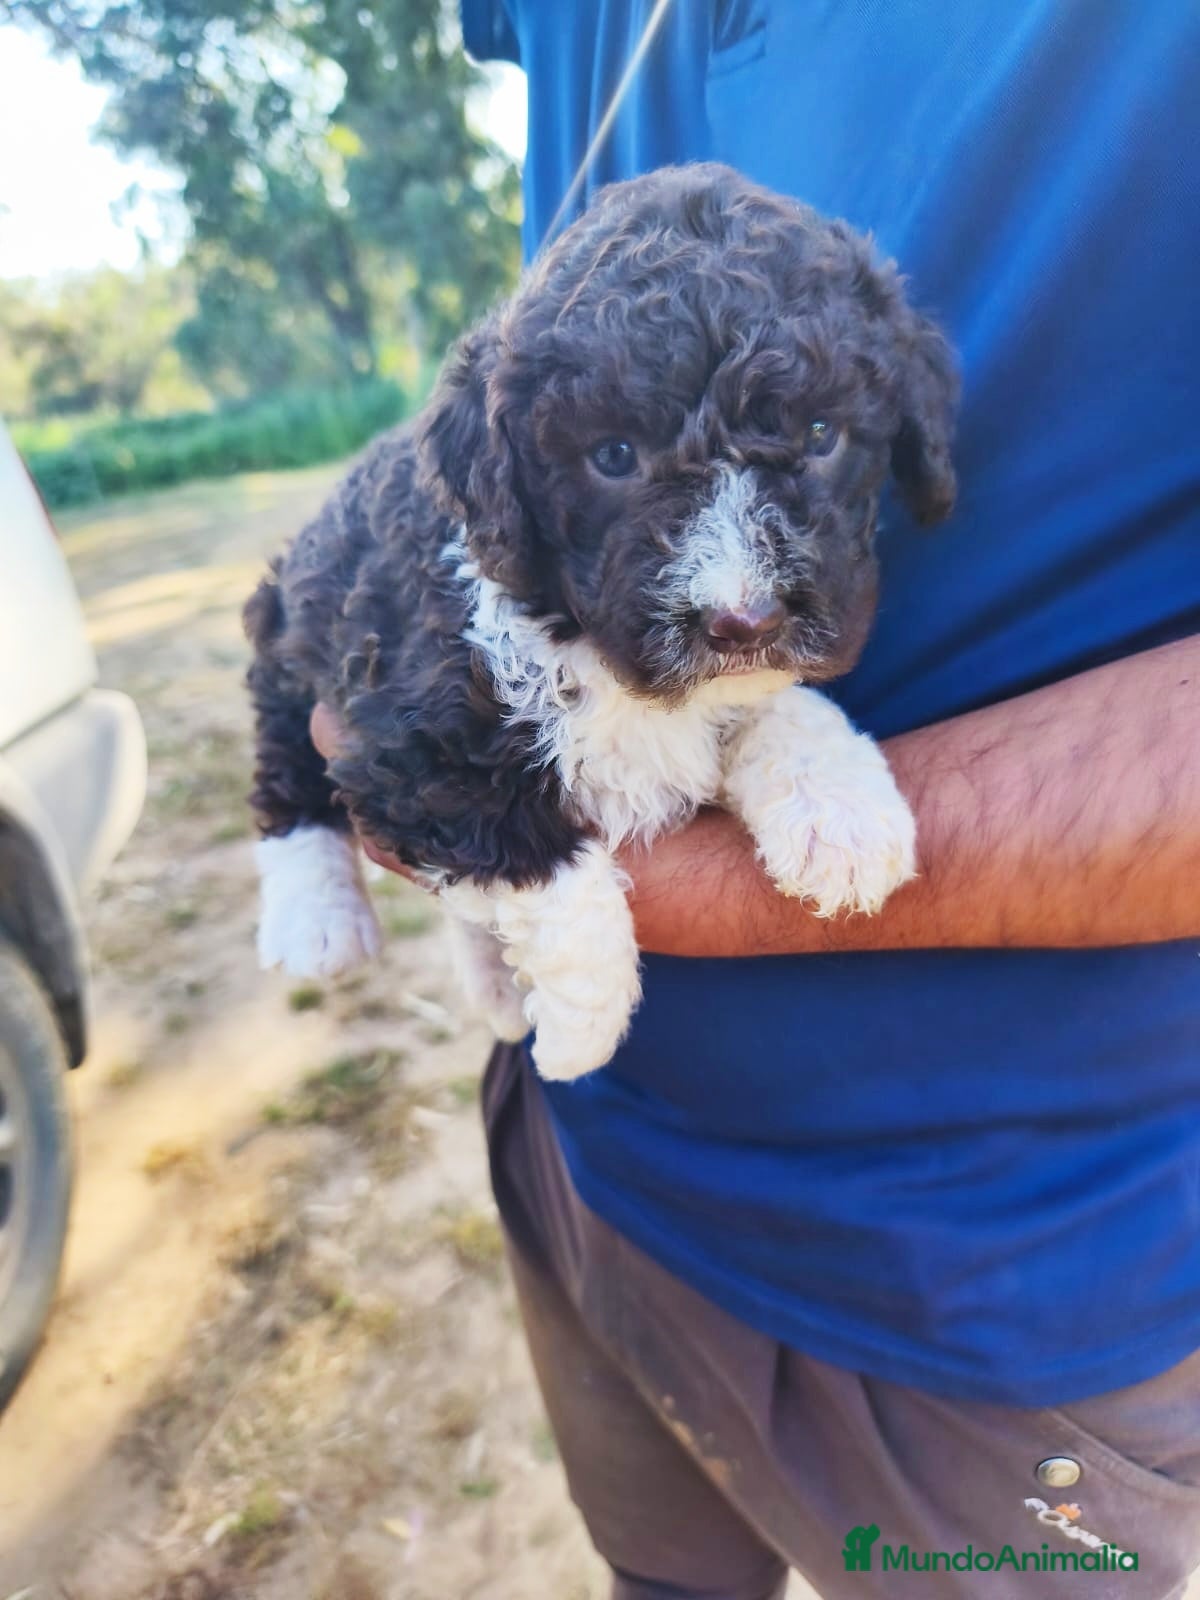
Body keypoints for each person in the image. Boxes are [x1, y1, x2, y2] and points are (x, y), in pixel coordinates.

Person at [315, 2, 1200, 1594]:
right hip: (597, 1153)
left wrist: (553, 866)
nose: (732, 598)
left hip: (993, 1301)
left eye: (807, 437)